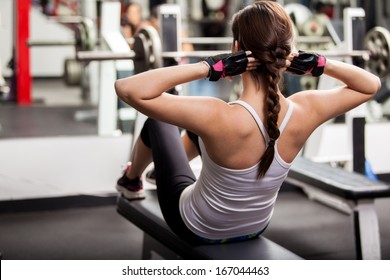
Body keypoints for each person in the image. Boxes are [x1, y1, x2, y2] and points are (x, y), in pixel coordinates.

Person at [114, 1, 380, 244]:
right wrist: (319, 64)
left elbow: (127, 89)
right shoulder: (305, 109)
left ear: (236, 50)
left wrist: (207, 67)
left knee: (160, 122)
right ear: (290, 51)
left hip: (197, 227)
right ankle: (160, 170)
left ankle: (131, 180)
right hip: (255, 226)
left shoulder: (216, 115)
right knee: (201, 131)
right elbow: (370, 85)